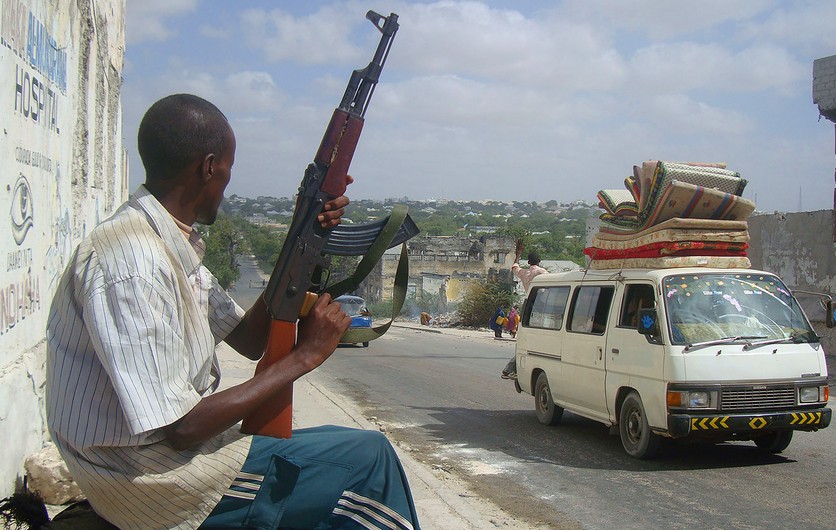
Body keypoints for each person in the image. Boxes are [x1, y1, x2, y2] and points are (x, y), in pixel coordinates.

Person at [46, 94, 420, 530]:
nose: (227, 180)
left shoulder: (165, 244)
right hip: (154, 482)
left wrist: (303, 236)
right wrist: (305, 357)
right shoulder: (134, 263)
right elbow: (182, 428)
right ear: (209, 167)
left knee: (353, 451)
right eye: (228, 168)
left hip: (168, 462)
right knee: (367, 463)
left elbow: (249, 339)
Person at [502, 239, 549, 380]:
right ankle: (515, 369)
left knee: (526, 342)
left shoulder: (524, 273)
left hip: (528, 307)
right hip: (541, 307)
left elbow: (514, 267)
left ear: (528, 262)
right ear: (539, 260)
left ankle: (511, 369)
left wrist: (518, 254)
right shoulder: (543, 272)